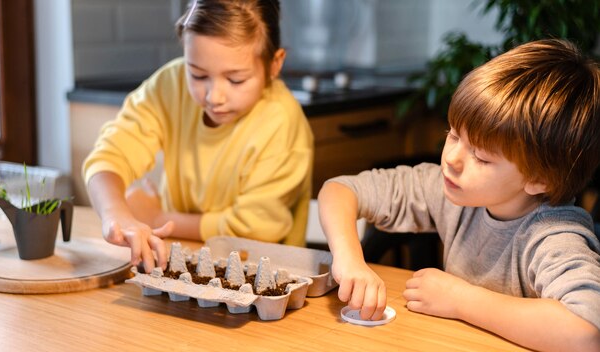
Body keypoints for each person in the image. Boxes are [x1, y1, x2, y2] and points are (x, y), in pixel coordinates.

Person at [318, 39, 600, 352]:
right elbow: (340, 190)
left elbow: (586, 333)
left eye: (481, 156)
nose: (451, 158)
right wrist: (350, 261)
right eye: (453, 135)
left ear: (538, 178)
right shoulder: (453, 188)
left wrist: (460, 301)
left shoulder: (554, 235)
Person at [83, 0, 313, 273]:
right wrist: (116, 215)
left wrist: (159, 217)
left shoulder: (281, 121)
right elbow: (111, 154)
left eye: (236, 80)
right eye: (198, 74)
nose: (213, 96)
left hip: (264, 280)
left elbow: (254, 230)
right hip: (178, 267)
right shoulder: (170, 85)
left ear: (275, 64)